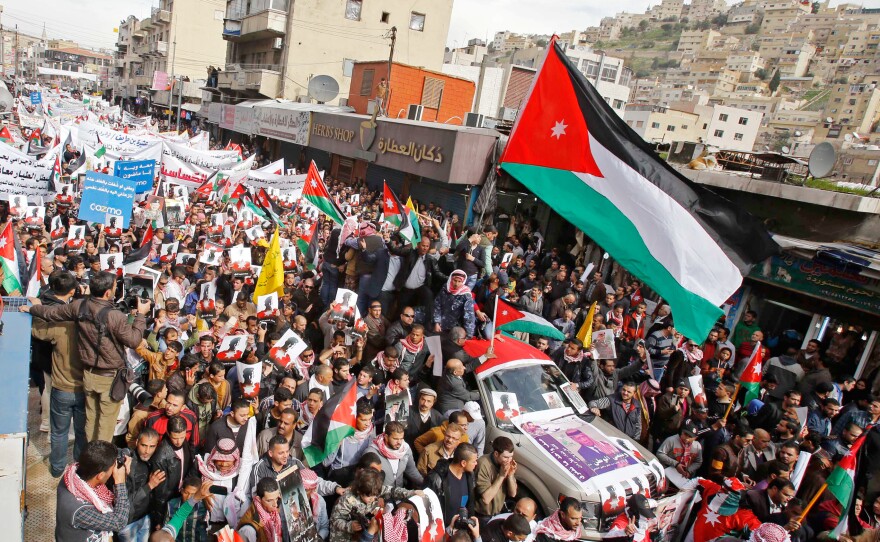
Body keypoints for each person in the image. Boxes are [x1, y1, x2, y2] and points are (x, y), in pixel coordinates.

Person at [23, 270, 150, 442]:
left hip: (89, 375)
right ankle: (99, 463)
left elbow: (51, 313)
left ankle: (90, 456)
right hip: (109, 378)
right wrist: (141, 315)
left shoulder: (79, 306)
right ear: (107, 292)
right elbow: (135, 340)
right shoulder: (115, 316)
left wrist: (32, 308)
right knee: (105, 424)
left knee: (91, 421)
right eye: (114, 287)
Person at [56, 440, 131, 542]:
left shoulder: (71, 476)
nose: (114, 470)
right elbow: (119, 522)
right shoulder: (80, 510)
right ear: (100, 476)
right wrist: (120, 482)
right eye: (112, 468)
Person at [329, 468, 421, 542]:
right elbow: (335, 520)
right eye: (369, 497)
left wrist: (411, 493)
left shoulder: (374, 489)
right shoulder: (346, 500)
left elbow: (392, 491)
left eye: (375, 496)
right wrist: (349, 526)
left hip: (362, 530)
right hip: (342, 536)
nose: (373, 499)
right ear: (359, 491)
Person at [425, 442, 479, 524]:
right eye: (474, 461)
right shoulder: (436, 478)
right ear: (463, 463)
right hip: (440, 529)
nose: (476, 463)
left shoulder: (470, 476)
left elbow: (470, 505)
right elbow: (426, 508)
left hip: (459, 530)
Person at [366, 421, 423, 487]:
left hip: (400, 493)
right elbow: (368, 481)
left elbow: (411, 470)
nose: (399, 442)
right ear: (386, 437)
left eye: (401, 438)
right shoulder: (371, 453)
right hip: (380, 494)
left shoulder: (405, 449)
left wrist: (424, 484)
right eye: (395, 439)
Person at [475, 436, 518, 519]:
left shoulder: (506, 464)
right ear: (496, 454)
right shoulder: (483, 464)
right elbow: (486, 499)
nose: (509, 460)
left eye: (511, 456)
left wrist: (510, 475)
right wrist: (501, 476)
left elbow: (513, 494)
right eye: (505, 457)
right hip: (483, 515)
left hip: (498, 512)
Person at [237, 477, 290, 542]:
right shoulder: (249, 530)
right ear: (259, 499)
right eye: (269, 501)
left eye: (276, 498)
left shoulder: (277, 510)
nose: (275, 504)